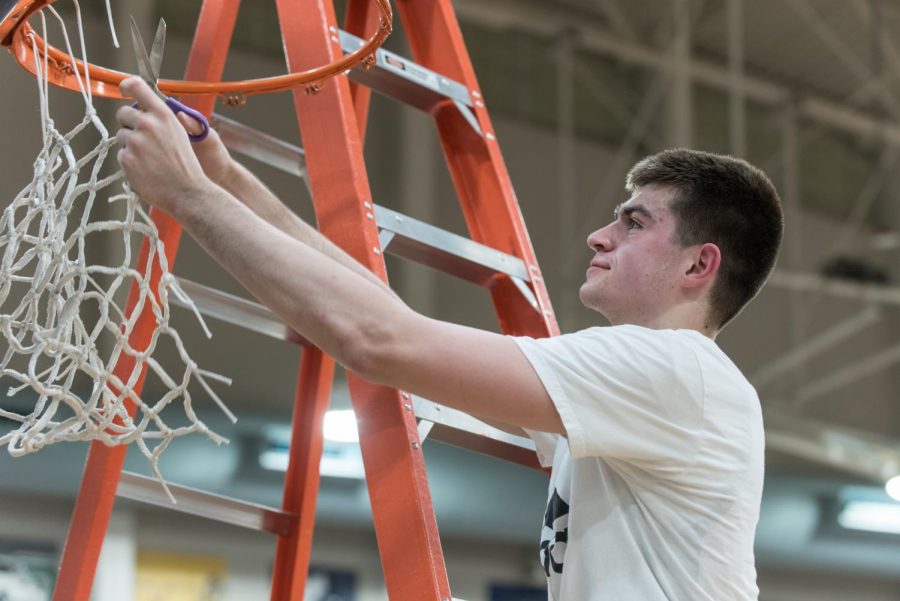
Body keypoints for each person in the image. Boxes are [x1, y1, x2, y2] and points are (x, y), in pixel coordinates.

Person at [115, 76, 783, 601]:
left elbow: (378, 340)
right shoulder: (641, 386)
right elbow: (390, 320)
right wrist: (225, 181)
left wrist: (189, 197)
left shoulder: (668, 369)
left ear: (700, 265)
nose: (599, 235)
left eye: (635, 223)